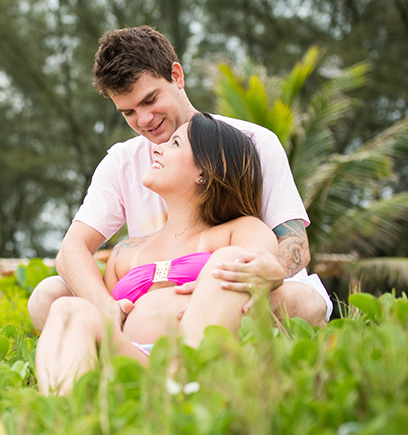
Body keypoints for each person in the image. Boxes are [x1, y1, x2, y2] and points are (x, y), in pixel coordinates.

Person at [28, 26, 331, 335]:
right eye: (128, 112)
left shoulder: (252, 141)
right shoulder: (122, 162)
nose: (143, 120)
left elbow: (295, 244)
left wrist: (237, 284)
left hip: (238, 294)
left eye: (150, 100)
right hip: (148, 305)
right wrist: (105, 306)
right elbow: (72, 249)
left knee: (303, 301)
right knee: (48, 297)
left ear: (176, 76)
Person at [36, 113, 282, 395]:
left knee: (232, 260)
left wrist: (271, 270)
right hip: (131, 361)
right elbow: (109, 320)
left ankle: (184, 387)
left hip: (197, 357)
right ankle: (63, 416)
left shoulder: (237, 231)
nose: (157, 147)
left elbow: (259, 258)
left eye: (175, 144)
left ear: (204, 170)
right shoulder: (126, 251)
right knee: (68, 310)